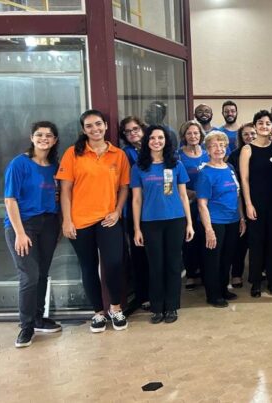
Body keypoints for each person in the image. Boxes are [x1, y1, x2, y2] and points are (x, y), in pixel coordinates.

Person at [57, 109, 130, 333]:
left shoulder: (118, 154)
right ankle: (97, 313)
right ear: (83, 130)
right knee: (88, 267)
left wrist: (117, 211)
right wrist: (67, 221)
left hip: (108, 219)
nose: (95, 129)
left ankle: (115, 308)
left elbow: (124, 187)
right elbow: (65, 189)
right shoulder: (72, 153)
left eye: (98, 124)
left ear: (106, 126)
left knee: (114, 265)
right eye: (89, 126)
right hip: (80, 221)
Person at [6, 121, 62, 347]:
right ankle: (26, 326)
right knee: (29, 276)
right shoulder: (19, 164)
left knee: (42, 273)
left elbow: (57, 197)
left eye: (49, 135)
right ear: (31, 138)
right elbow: (10, 200)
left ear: (55, 140)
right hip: (23, 225)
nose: (44, 138)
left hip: (48, 224)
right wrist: (19, 233)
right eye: (39, 135)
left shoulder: (54, 166)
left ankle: (39, 317)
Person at [130, 125, 193, 324]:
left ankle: (172, 306)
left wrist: (189, 223)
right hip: (150, 222)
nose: (156, 141)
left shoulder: (176, 164)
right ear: (147, 141)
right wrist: (137, 228)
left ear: (166, 141)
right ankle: (157, 307)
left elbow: (183, 195)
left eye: (160, 138)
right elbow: (136, 200)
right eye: (152, 138)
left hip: (175, 220)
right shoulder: (139, 167)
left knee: (174, 264)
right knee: (155, 265)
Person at [196, 131, 246, 308]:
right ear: (207, 150)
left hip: (232, 220)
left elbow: (237, 194)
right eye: (214, 146)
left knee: (227, 257)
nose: (219, 149)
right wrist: (208, 229)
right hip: (215, 222)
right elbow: (202, 204)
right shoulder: (205, 173)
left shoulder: (230, 168)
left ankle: (224, 289)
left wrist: (241, 217)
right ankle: (213, 294)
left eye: (222, 145)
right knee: (213, 260)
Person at [240, 110, 272, 297]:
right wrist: (248, 204)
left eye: (268, 123)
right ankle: (256, 281)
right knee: (256, 243)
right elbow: (245, 180)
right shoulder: (247, 149)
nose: (264, 126)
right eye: (260, 123)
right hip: (256, 203)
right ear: (255, 126)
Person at [118, 116, 150, 310]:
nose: (133, 133)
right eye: (128, 131)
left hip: (157, 210)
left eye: (135, 129)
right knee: (139, 254)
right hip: (134, 209)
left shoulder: (154, 147)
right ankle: (143, 295)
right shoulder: (125, 154)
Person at [178, 121, 209, 291]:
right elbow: (175, 181)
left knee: (205, 237)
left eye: (196, 133)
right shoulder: (178, 156)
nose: (193, 136)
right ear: (184, 136)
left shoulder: (207, 154)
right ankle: (191, 274)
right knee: (190, 239)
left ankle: (205, 272)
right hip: (188, 203)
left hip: (206, 204)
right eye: (189, 133)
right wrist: (192, 194)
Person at [227, 123, 257, 288]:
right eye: (246, 134)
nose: (250, 137)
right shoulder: (234, 155)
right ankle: (236, 273)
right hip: (240, 201)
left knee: (259, 240)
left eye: (253, 133)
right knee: (241, 239)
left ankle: (258, 271)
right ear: (240, 137)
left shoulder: (264, 150)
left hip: (260, 200)